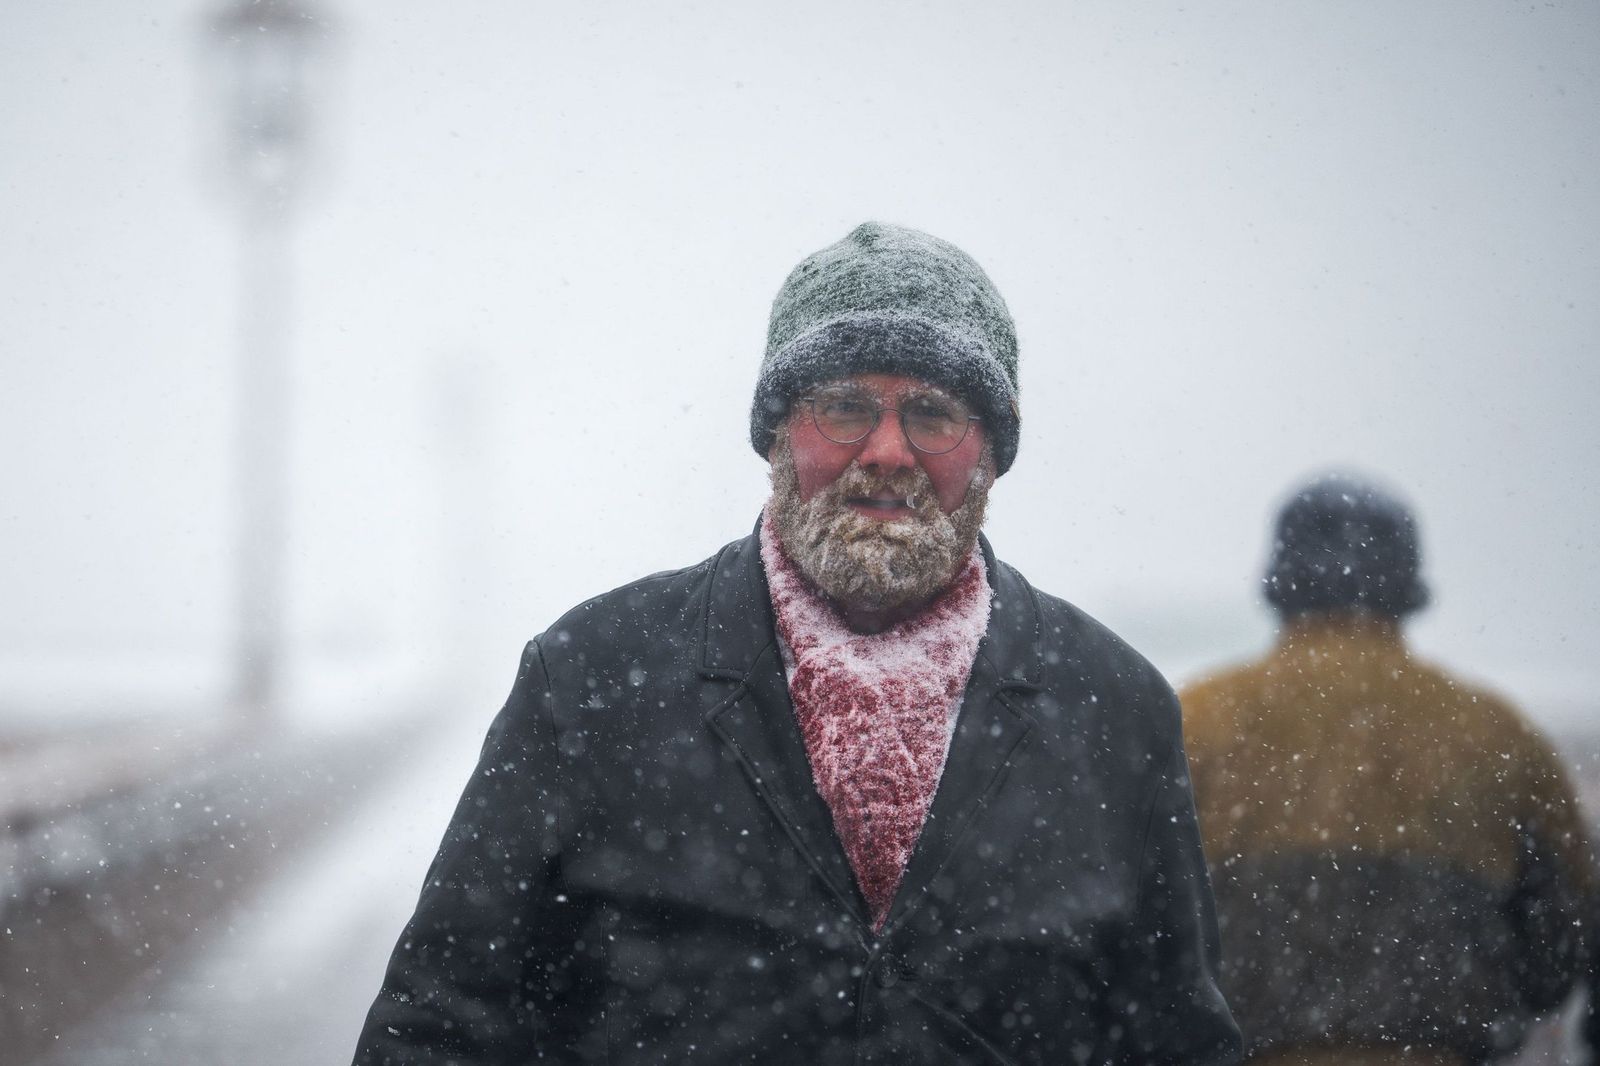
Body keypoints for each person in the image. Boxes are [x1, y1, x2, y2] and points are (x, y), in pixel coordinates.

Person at [352, 222, 1241, 1064]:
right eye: (845, 407)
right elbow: (440, 1024)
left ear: (989, 454)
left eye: (933, 415)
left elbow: (1179, 1038)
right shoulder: (590, 677)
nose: (888, 451)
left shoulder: (1112, 708)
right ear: (777, 435)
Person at [1180, 473, 1593, 1066]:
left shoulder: (1194, 721)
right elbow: (1564, 930)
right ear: (1407, 584)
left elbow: (1121, 912)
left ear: (1280, 583)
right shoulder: (1495, 733)